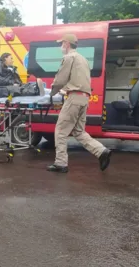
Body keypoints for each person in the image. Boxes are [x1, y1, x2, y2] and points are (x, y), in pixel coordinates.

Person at [46, 34, 112, 173]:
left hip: (74, 98)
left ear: (66, 43)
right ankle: (101, 151)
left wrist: (51, 93)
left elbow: (60, 79)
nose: (60, 47)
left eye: (61, 43)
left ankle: (61, 163)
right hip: (84, 98)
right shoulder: (83, 59)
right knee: (79, 131)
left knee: (61, 131)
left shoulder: (69, 57)